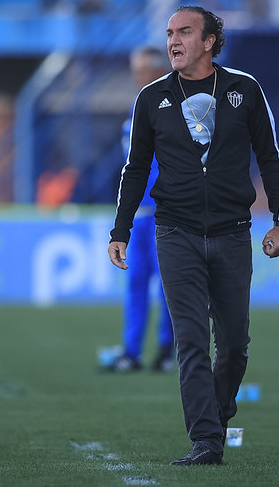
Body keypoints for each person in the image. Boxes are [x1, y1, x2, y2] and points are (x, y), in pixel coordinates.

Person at [108, 6, 279, 465]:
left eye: (184, 32)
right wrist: (121, 230)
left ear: (210, 41)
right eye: (170, 32)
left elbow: (270, 158)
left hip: (233, 233)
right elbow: (134, 171)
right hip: (175, 231)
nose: (173, 40)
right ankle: (207, 441)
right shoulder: (151, 99)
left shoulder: (244, 90)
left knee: (233, 345)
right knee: (190, 340)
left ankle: (218, 413)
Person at [107, 46, 175, 373]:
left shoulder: (177, 109)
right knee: (135, 283)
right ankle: (130, 351)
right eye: (135, 69)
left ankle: (166, 351)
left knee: (168, 287)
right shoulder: (137, 111)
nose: (136, 75)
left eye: (141, 69)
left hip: (168, 214)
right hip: (139, 215)